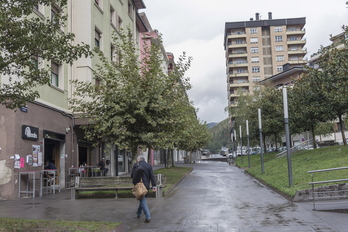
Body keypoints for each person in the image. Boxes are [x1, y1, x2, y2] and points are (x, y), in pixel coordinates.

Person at [131, 155, 156, 223]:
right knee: (142, 199)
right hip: (146, 186)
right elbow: (152, 176)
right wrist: (154, 186)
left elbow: (132, 175)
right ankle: (138, 213)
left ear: (138, 159)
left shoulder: (136, 165)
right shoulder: (148, 165)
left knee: (142, 200)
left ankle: (148, 216)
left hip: (139, 186)